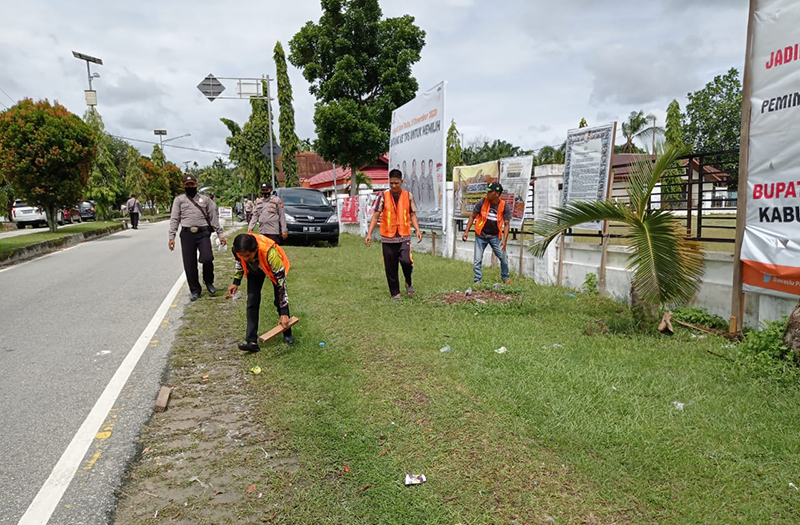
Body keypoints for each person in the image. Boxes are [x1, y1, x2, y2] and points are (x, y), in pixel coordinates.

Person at [227, 233, 293, 350]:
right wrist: (236, 281)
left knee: (279, 300)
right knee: (252, 301)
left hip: (273, 268)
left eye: (248, 255)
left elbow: (281, 284)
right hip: (254, 270)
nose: (246, 258)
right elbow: (239, 262)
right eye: (243, 255)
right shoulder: (238, 250)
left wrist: (284, 312)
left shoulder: (270, 253)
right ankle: (251, 341)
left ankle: (287, 333)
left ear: (255, 249)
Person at [365, 169, 422, 300]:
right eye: (391, 183)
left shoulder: (408, 196)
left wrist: (417, 230)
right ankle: (395, 293)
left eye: (396, 183)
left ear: (401, 182)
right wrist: (369, 234)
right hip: (388, 237)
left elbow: (412, 214)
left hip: (403, 236)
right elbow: (375, 216)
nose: (394, 186)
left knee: (406, 261)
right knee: (390, 266)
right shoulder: (383, 197)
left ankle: (408, 281)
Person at [168, 173, 227, 301]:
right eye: (187, 184)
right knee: (190, 264)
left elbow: (213, 218)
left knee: (207, 257)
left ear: (196, 184)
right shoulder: (179, 200)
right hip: (187, 234)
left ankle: (208, 281)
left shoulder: (205, 200)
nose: (190, 186)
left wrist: (220, 234)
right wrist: (171, 237)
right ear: (183, 185)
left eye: (192, 184)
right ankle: (195, 290)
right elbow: (174, 219)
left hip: (203, 233)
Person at [462, 182, 512, 285]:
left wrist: (505, 241)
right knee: (477, 259)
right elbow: (472, 217)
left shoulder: (504, 206)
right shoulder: (482, 202)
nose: (487, 193)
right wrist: (466, 232)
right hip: (481, 235)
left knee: (503, 257)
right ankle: (477, 280)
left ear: (497, 194)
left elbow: (507, 224)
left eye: (490, 192)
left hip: (495, 237)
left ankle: (505, 278)